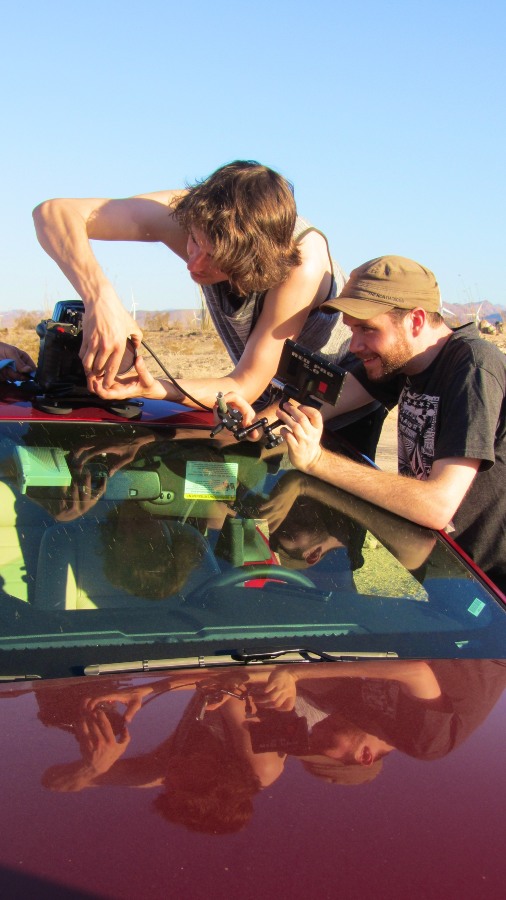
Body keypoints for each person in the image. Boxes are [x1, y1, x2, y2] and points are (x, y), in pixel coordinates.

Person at [32, 160, 385, 457]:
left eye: (213, 258)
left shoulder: (302, 264)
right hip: (249, 395)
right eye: (193, 242)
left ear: (254, 263)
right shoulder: (193, 214)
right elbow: (54, 212)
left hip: (332, 401)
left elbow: (245, 383)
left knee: (305, 528)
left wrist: (155, 389)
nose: (193, 263)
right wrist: (101, 299)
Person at [225, 256, 506, 590]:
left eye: (368, 329)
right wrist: (254, 424)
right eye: (351, 328)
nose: (355, 345)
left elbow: (437, 506)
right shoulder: (402, 363)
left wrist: (317, 461)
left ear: (415, 321)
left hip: (492, 585)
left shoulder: (473, 368)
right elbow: (318, 403)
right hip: (449, 574)